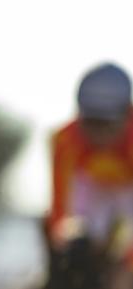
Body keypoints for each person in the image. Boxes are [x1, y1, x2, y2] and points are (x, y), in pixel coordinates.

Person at [50, 62, 133, 244]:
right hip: (90, 198)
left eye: (106, 124)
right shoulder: (65, 140)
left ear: (127, 114)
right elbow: (59, 210)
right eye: (91, 122)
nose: (98, 134)